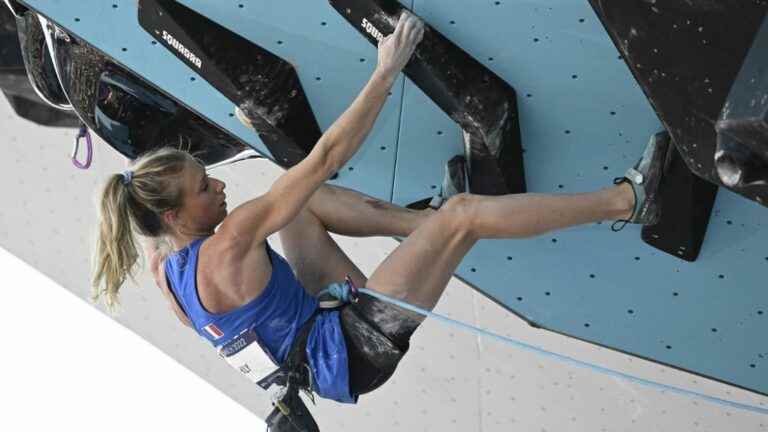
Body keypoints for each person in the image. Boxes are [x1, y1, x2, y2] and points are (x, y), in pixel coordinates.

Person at [91, 10, 667, 412]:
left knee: (297, 205)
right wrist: (386, 68)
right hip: (352, 346)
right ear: (172, 218)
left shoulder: (171, 278)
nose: (216, 184)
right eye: (200, 188)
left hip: (318, 337)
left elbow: (149, 215)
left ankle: (424, 224)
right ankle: (631, 200)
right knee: (463, 216)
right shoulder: (228, 240)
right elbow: (326, 158)